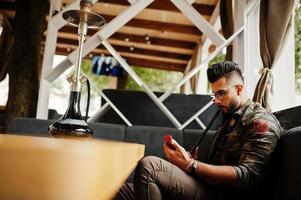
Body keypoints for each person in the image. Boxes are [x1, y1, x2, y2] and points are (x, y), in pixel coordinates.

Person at [114, 61, 283, 200]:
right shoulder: (229, 118)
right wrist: (190, 159)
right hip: (207, 187)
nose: (216, 100)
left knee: (150, 166)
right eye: (214, 94)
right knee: (117, 191)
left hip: (226, 196)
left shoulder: (260, 121)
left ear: (239, 89)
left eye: (221, 94)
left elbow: (247, 176)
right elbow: (216, 165)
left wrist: (191, 165)